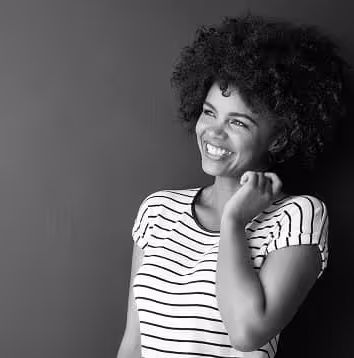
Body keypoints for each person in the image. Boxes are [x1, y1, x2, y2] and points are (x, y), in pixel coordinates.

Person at [117, 12, 350, 358]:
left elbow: (246, 331)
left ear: (279, 138)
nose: (214, 132)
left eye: (237, 122)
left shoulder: (298, 216)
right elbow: (134, 342)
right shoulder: (157, 211)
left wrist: (234, 222)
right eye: (209, 112)